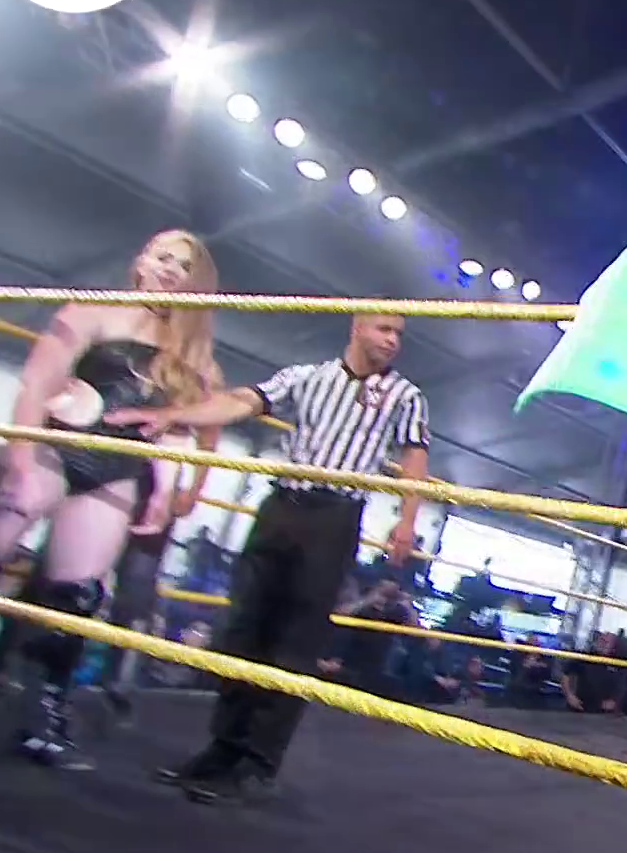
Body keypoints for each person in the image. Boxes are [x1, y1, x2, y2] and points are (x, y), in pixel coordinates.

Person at [108, 312, 430, 805]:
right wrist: (176, 414)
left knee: (296, 640)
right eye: (384, 329)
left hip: (335, 515)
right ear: (357, 327)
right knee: (245, 627)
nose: (392, 341)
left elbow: (414, 457)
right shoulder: (305, 376)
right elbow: (243, 401)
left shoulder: (405, 395)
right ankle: (222, 748)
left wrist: (406, 520)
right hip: (281, 505)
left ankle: (257, 763)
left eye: (399, 335)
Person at [0, 231, 221, 769]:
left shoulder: (192, 352)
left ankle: (44, 719)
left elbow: (179, 429)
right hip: (53, 442)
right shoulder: (94, 309)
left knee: (78, 598)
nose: (170, 270)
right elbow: (38, 380)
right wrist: (22, 456)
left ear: (196, 280)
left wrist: (168, 489)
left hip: (117, 468)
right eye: (163, 257)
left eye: (183, 265)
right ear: (140, 261)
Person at [0, 428, 216, 730]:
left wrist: (187, 491)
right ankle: (0, 684)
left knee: (123, 597)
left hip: (144, 479)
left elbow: (206, 434)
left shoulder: (191, 402)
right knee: (46, 583)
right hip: (97, 462)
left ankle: (106, 697)